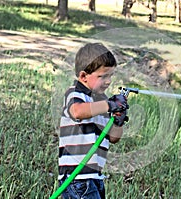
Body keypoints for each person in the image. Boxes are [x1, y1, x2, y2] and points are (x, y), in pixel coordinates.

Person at [58, 43, 129, 199]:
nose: (109, 81)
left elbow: (113, 138)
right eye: (103, 76)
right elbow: (78, 111)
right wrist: (109, 105)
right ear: (83, 76)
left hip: (95, 176)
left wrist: (118, 121)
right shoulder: (75, 93)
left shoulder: (101, 102)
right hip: (77, 178)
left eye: (111, 75)